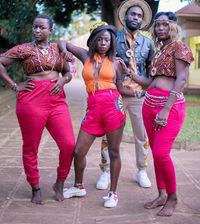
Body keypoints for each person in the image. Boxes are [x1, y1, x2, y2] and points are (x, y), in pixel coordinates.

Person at [58, 22, 140, 208]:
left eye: (107, 40)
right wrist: (65, 52)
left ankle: (113, 193)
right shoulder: (85, 56)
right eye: (100, 39)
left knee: (113, 151)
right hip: (93, 108)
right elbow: (61, 43)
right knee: (78, 151)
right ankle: (79, 187)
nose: (104, 43)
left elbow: (120, 88)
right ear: (94, 40)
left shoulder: (117, 62)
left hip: (113, 107)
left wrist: (137, 93)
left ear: (112, 42)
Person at [120, 11, 194, 216]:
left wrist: (166, 110)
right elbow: (152, 82)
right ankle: (161, 194)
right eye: (157, 25)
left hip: (168, 108)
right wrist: (131, 74)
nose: (160, 28)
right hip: (149, 106)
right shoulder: (160, 50)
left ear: (173, 26)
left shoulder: (180, 47)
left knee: (162, 153)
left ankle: (173, 198)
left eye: (165, 24)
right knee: (156, 153)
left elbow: (180, 80)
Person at [0, 14, 75, 204]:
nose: (37, 31)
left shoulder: (58, 49)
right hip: (31, 101)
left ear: (50, 30)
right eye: (35, 27)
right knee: (31, 146)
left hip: (57, 100)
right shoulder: (24, 49)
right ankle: (35, 187)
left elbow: (68, 72)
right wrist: (14, 85)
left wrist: (63, 79)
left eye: (42, 28)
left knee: (68, 145)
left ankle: (60, 183)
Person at [96, 0, 155, 190]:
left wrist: (146, 85)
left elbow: (151, 72)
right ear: (126, 16)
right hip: (114, 94)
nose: (136, 18)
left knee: (142, 135)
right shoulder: (112, 38)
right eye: (133, 14)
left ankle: (142, 170)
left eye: (139, 15)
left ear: (142, 19)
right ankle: (105, 171)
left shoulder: (148, 43)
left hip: (139, 95)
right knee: (108, 134)